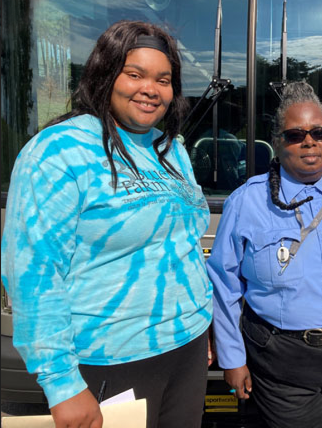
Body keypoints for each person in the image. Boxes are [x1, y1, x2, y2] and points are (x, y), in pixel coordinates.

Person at [1, 20, 212, 428]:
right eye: (134, 74)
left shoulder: (171, 149)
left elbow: (184, 245)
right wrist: (62, 384)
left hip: (186, 346)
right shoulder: (59, 151)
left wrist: (203, 321)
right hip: (109, 358)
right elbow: (33, 272)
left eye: (163, 79)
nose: (151, 88)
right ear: (105, 74)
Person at [207, 81, 322, 428]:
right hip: (283, 362)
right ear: (277, 142)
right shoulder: (247, 202)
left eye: (320, 132)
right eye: (295, 135)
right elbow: (223, 285)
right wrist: (232, 359)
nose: (310, 141)